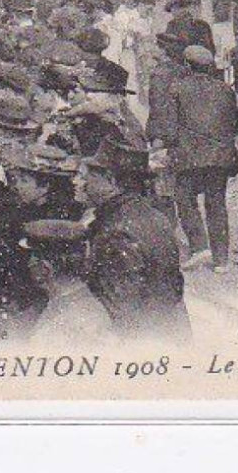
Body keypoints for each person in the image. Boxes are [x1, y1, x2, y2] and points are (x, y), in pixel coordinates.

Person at [78, 131, 191, 344]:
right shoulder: (151, 214)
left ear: (110, 180)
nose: (82, 182)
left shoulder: (116, 231)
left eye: (89, 177)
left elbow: (123, 309)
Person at [159, 45, 238, 272]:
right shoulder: (225, 90)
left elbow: (168, 128)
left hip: (188, 157)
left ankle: (199, 246)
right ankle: (221, 259)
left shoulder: (176, 89)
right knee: (217, 204)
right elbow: (235, 125)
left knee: (185, 199)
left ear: (187, 66)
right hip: (220, 157)